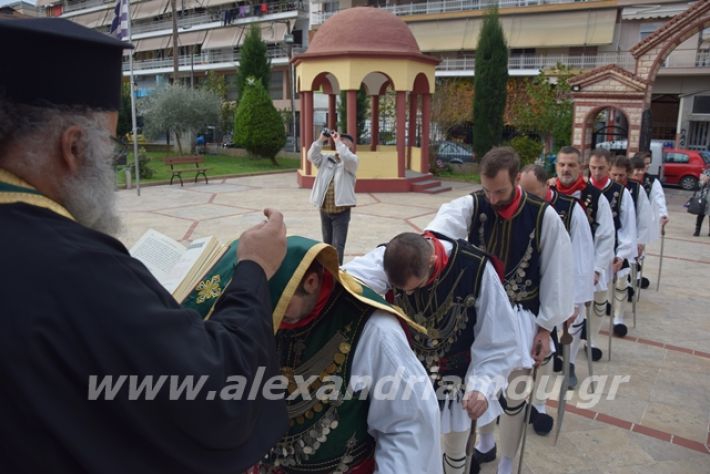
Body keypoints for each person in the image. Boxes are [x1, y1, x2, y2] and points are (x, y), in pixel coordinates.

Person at [0, 18, 289, 473]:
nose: (112, 165)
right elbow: (216, 393)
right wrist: (254, 266)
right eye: (110, 146)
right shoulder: (76, 267)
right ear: (73, 147)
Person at [424, 147, 574, 474]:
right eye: (487, 190)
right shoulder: (474, 204)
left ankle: (506, 461)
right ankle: (485, 444)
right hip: (478, 316)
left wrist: (547, 328)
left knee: (514, 396)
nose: (492, 199)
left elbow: (558, 271)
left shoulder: (543, 215)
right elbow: (438, 230)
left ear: (517, 178)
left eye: (500, 191)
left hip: (523, 317)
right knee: (478, 386)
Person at [249, 236, 442, 473]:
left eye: (281, 304)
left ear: (311, 282)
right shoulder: (264, 314)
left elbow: (408, 425)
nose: (273, 315)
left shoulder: (374, 329)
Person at [344, 231, 519, 474]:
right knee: (409, 445)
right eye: (402, 290)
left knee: (455, 448)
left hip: (456, 377)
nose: (410, 294)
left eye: (416, 287)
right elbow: (345, 281)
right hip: (409, 377)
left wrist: (482, 385)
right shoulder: (388, 258)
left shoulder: (475, 268)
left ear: (431, 261)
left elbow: (498, 336)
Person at [520, 164, 595, 389]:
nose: (526, 199)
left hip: (561, 285)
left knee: (553, 342)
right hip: (530, 286)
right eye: (522, 192)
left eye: (532, 193)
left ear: (547, 185)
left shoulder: (571, 209)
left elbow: (582, 257)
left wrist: (575, 301)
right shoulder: (519, 208)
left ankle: (563, 371)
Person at [551, 146, 615, 362]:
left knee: (575, 313)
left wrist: (596, 269)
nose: (566, 169)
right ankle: (552, 351)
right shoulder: (547, 193)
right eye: (562, 164)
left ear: (580, 167)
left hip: (582, 265)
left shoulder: (596, 198)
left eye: (571, 165)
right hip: (553, 264)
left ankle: (569, 359)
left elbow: (605, 235)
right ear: (556, 166)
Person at [588, 149, 637, 338]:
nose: (597, 172)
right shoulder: (583, 190)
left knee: (602, 296)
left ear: (608, 167)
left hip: (610, 252)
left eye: (601, 168)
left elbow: (627, 226)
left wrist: (622, 254)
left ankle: (599, 332)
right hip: (585, 251)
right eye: (593, 168)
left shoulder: (620, 193)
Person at [307, 130, 358, 265]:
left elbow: (346, 157)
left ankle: (337, 273)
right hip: (325, 210)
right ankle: (327, 270)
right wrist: (320, 140)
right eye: (342, 140)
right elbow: (311, 156)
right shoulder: (327, 159)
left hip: (341, 212)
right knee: (327, 243)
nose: (342, 142)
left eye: (346, 141)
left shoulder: (352, 161)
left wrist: (338, 142)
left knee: (338, 245)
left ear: (351, 147)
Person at [631, 153, 669, 287]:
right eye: (644, 163)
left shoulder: (651, 181)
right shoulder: (626, 179)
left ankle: (636, 276)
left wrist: (662, 213)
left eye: (648, 164)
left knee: (640, 248)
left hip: (643, 219)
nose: (645, 167)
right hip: (629, 219)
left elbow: (659, 197)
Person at [690, 170, 710, 236]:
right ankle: (697, 231)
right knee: (701, 214)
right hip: (704, 197)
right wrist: (703, 181)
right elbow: (698, 186)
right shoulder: (706, 172)